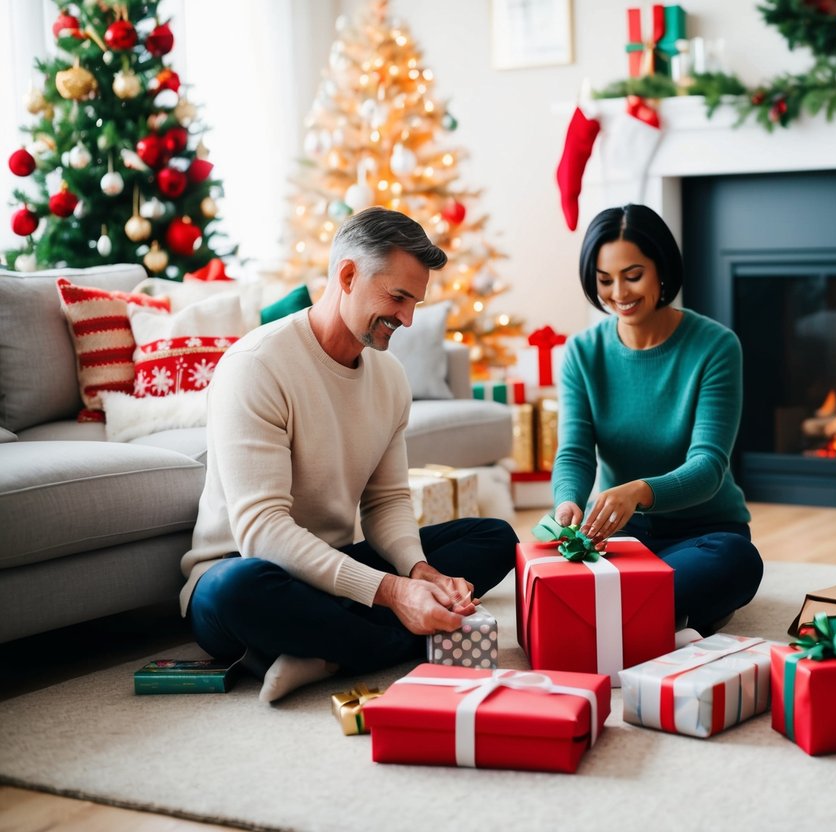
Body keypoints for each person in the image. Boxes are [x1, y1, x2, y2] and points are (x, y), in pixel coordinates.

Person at [181, 207, 517, 703]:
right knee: (236, 589)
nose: (407, 319)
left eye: (414, 303)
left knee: (493, 536)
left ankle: (323, 653)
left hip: (335, 570)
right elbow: (261, 531)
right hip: (246, 569)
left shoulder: (390, 378)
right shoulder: (256, 367)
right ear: (347, 275)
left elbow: (385, 503)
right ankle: (371, 642)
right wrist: (394, 592)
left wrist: (417, 570)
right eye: (398, 297)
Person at [552, 203, 763, 637]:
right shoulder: (581, 353)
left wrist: (640, 491)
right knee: (552, 568)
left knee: (738, 562)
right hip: (620, 535)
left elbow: (708, 467)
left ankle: (622, 610)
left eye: (633, 276)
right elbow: (574, 451)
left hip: (705, 531)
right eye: (604, 280)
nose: (619, 293)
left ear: (661, 268)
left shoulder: (716, 346)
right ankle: (664, 617)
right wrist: (567, 502)